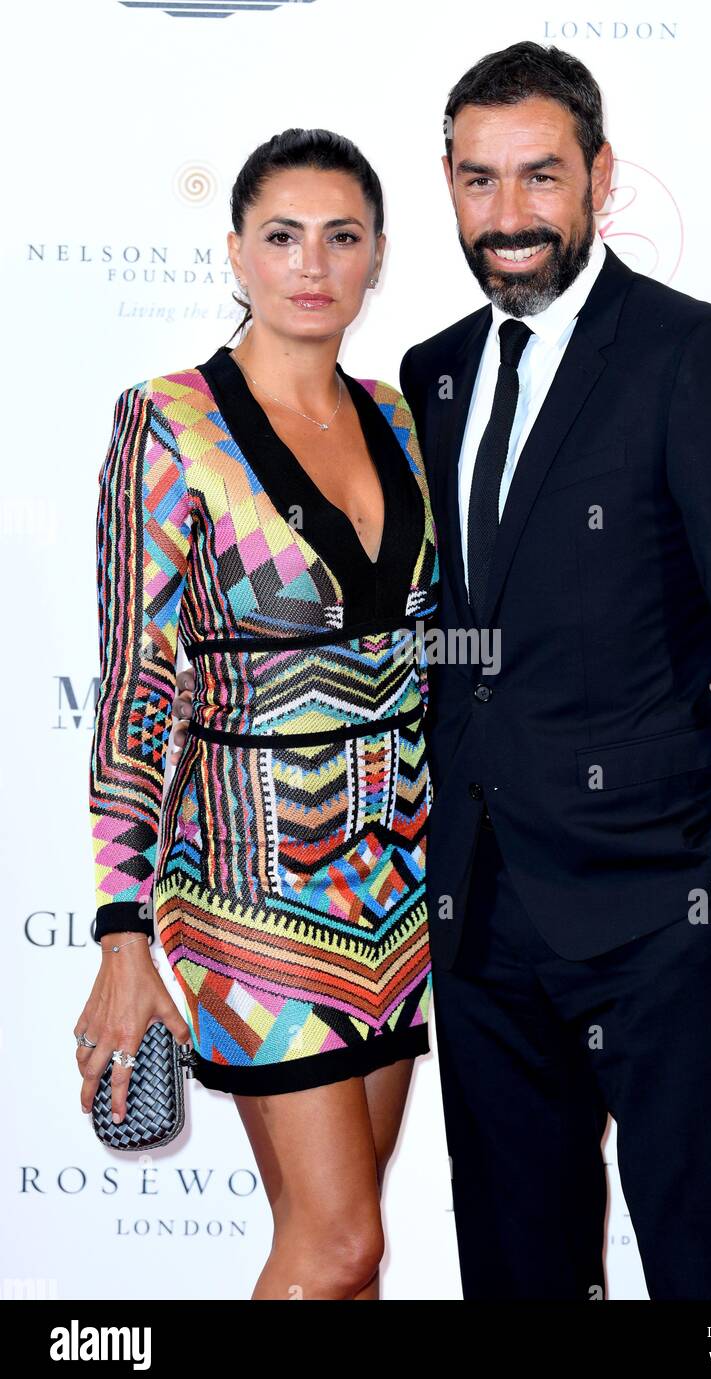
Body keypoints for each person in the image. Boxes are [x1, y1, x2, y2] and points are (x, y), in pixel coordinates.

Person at [397, 41, 711, 1299]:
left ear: (599, 177)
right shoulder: (429, 375)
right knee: (518, 1270)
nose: (510, 216)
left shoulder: (697, 356)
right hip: (476, 912)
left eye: (541, 177)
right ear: (449, 187)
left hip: (659, 912)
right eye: (480, 182)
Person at [78, 128, 438, 1301]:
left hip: (399, 895)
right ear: (236, 252)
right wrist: (122, 931)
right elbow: (138, 677)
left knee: (341, 1252)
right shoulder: (171, 422)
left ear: (379, 254)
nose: (311, 263)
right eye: (281, 236)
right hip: (248, 897)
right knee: (338, 1246)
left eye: (342, 236)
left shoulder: (401, 418)